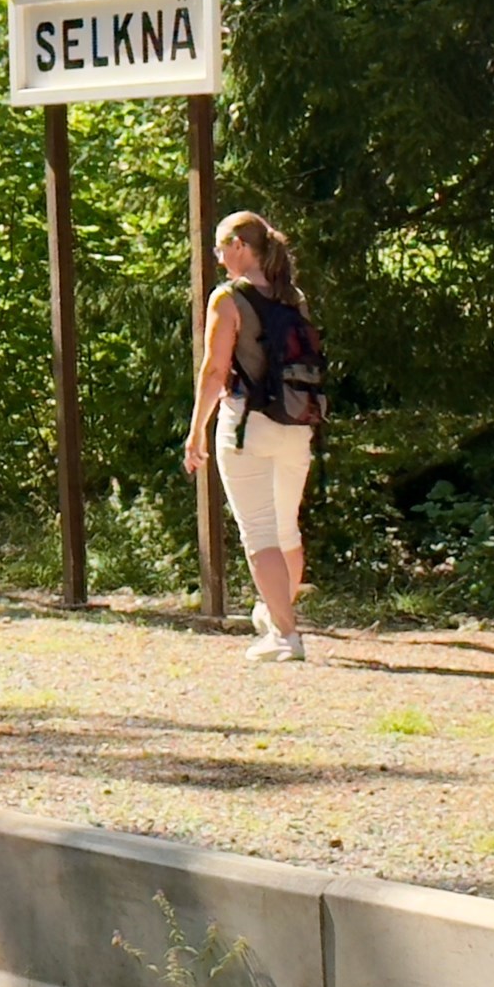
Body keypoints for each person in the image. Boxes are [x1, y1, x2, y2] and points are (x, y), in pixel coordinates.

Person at [183, 212, 325, 662]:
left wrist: (196, 430)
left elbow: (213, 371)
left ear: (241, 247)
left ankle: (286, 636)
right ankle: (274, 611)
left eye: (221, 247)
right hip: (295, 426)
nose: (219, 257)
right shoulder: (293, 298)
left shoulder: (227, 299)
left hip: (246, 425)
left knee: (259, 533)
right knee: (286, 530)